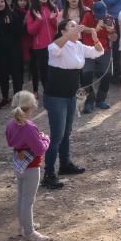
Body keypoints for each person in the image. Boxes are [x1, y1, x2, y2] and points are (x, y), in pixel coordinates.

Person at [41, 19, 103, 190]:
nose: (77, 28)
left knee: (66, 132)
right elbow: (52, 48)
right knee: (57, 135)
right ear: (63, 31)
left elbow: (99, 52)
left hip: (70, 96)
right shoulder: (57, 47)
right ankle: (48, 174)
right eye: (72, 26)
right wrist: (70, 34)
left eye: (77, 26)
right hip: (55, 97)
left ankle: (65, 164)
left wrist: (95, 37)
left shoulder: (79, 46)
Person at [5, 91, 51, 241]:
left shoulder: (11, 123)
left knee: (21, 197)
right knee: (28, 200)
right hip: (32, 166)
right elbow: (40, 150)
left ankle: (23, 225)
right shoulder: (29, 127)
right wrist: (45, 139)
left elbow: (10, 143)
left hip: (19, 164)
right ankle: (29, 233)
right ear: (31, 107)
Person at [0, 0, 23, 109]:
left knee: (16, 75)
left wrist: (8, 26)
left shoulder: (12, 15)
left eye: (2, 1)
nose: (0, 4)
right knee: (3, 75)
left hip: (13, 50)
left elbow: (19, 31)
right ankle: (5, 98)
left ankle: (18, 98)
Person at [80, 1, 114, 112]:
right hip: (89, 49)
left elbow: (114, 37)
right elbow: (81, 28)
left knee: (107, 75)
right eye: (98, 14)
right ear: (93, 11)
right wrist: (94, 29)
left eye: (102, 13)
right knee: (86, 75)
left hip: (104, 49)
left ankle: (101, 100)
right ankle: (89, 101)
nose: (101, 16)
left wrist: (111, 32)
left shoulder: (109, 18)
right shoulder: (87, 15)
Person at [25, 0, 60, 95]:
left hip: (55, 44)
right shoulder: (32, 11)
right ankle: (48, 93)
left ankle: (57, 91)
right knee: (44, 72)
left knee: (56, 69)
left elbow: (60, 27)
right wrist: (39, 20)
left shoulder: (53, 7)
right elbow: (30, 31)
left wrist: (53, 18)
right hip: (40, 47)